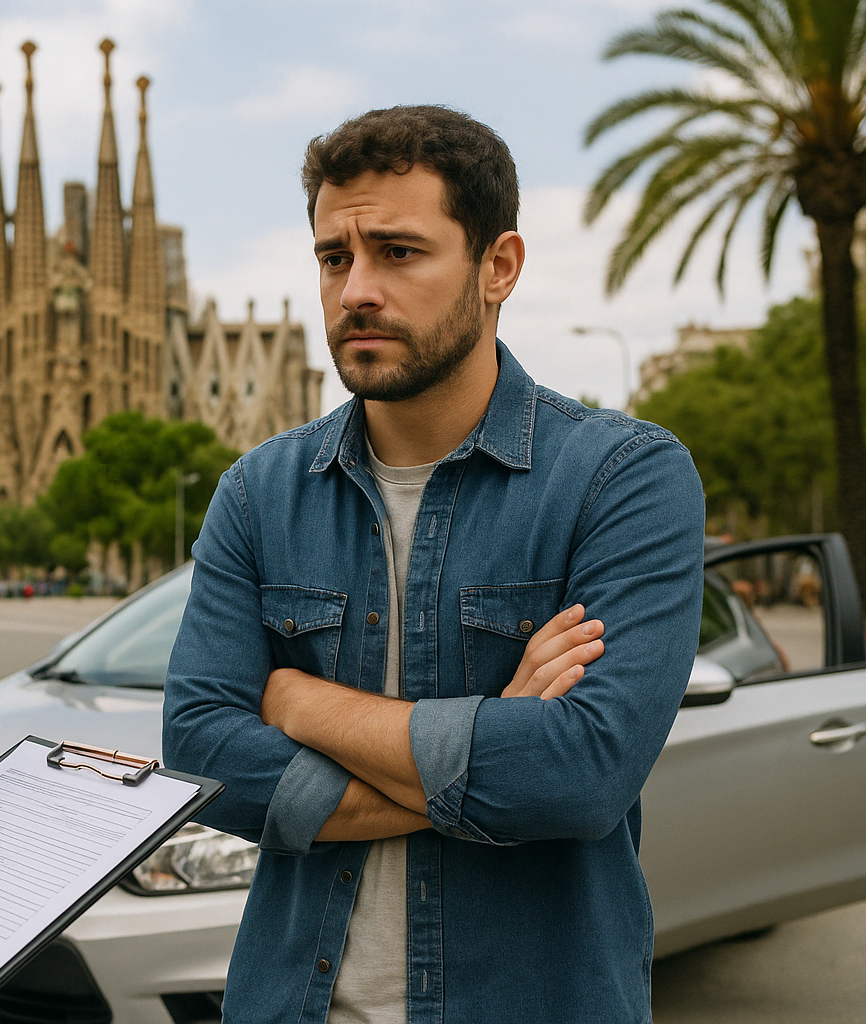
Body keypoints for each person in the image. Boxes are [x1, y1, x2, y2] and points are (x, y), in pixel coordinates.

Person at [162, 105, 705, 1024]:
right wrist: (490, 743)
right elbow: (203, 752)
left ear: (498, 268)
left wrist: (302, 703)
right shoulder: (259, 491)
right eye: (335, 258)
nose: (355, 292)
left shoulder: (621, 477)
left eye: (399, 253)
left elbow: (580, 773)